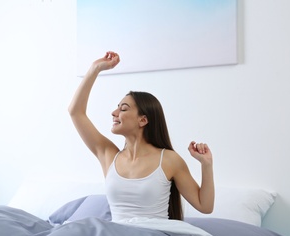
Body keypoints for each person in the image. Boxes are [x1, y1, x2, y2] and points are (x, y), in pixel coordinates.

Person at [68, 51, 214, 221]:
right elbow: (75, 112)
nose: (114, 113)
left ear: (143, 120)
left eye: (123, 109)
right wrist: (95, 69)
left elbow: (205, 206)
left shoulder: (169, 160)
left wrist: (206, 165)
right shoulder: (108, 155)